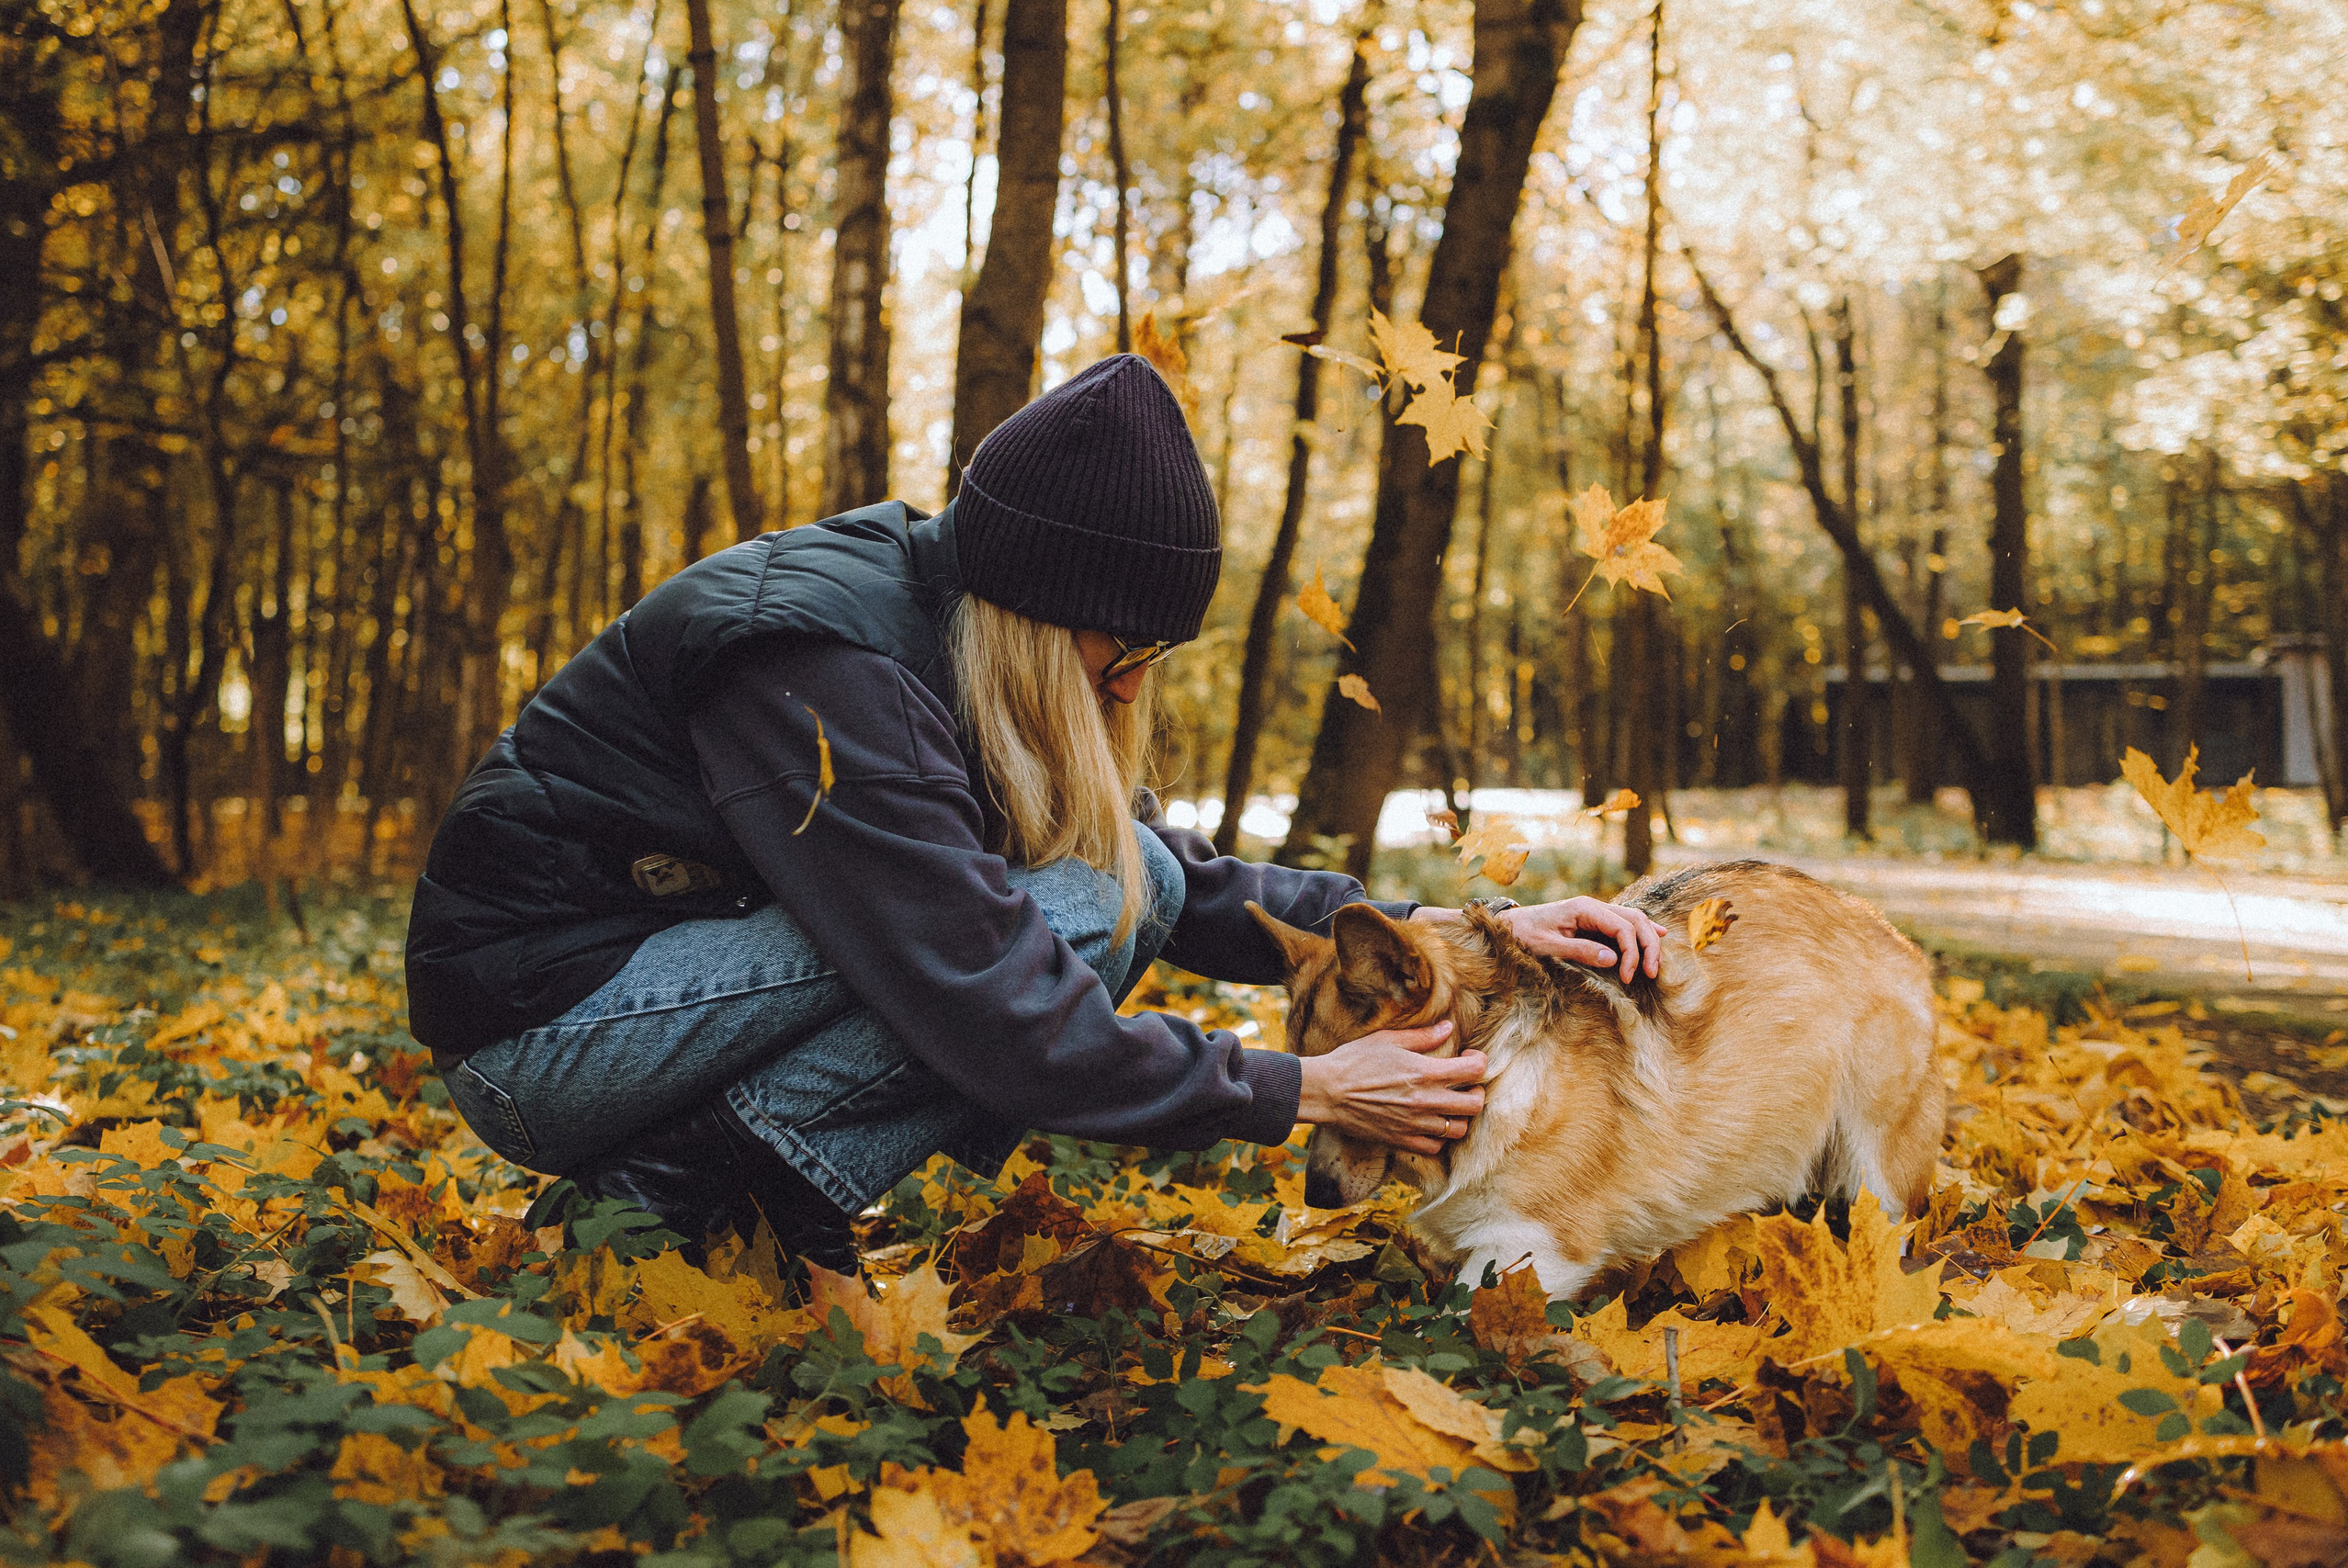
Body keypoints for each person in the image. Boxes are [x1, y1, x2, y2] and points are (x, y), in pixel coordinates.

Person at [403, 355, 1664, 1274]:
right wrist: (1303, 1089)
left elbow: (1173, 881)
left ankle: (712, 1201)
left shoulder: (952, 641)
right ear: (1050, 608)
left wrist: (1458, 933)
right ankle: (663, 1204)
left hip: (665, 992)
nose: (1132, 688)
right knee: (1070, 911)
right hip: (542, 1037)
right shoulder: (823, 666)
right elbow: (991, 999)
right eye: (1127, 649)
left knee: (1121, 882)